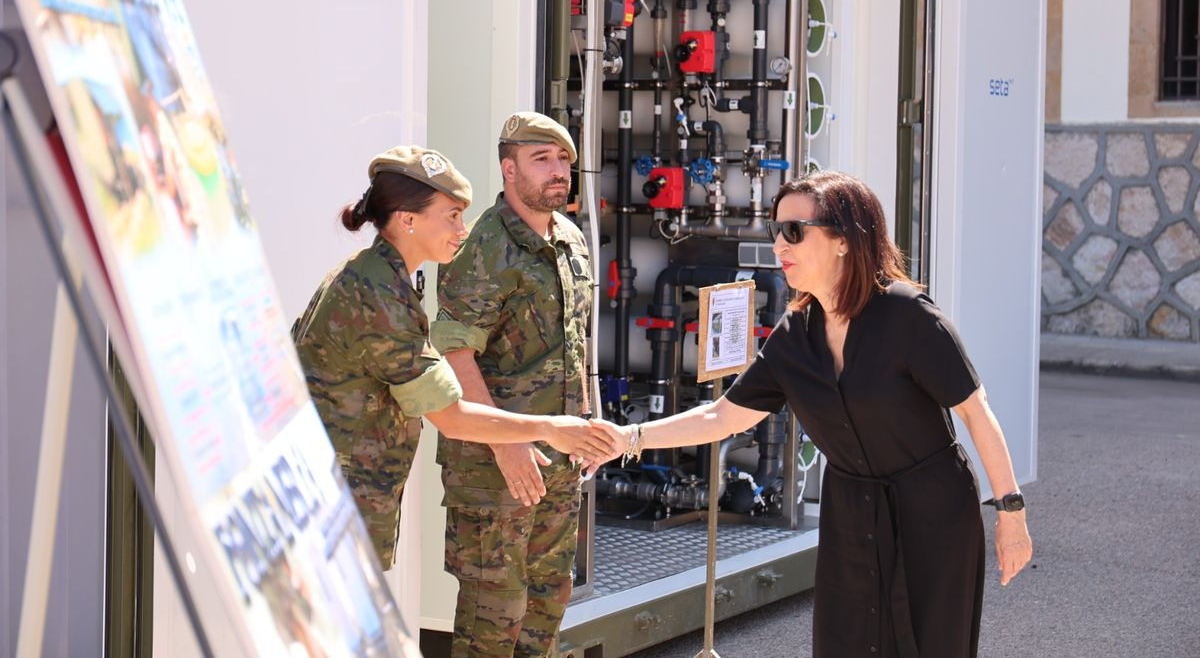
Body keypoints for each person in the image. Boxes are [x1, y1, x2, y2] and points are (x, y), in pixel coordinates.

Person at [608, 170, 1034, 658]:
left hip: (933, 514)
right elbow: (723, 418)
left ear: (844, 241)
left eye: (794, 231)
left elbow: (975, 412)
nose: (778, 245)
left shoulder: (910, 317)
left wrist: (1010, 515)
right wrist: (630, 437)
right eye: (775, 231)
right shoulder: (795, 334)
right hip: (851, 512)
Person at [291, 145, 615, 571]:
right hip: (336, 504)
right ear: (408, 220)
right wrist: (549, 428)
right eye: (451, 216)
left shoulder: (372, 276)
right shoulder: (378, 295)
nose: (463, 230)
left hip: (333, 494)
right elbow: (452, 416)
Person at [432, 112, 593, 658]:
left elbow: (574, 337)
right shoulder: (483, 247)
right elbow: (453, 354)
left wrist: (587, 421)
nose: (557, 172)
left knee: (550, 595)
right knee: (494, 610)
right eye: (540, 159)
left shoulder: (570, 239)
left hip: (559, 456)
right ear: (508, 168)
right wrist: (505, 443)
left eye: (563, 160)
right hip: (493, 465)